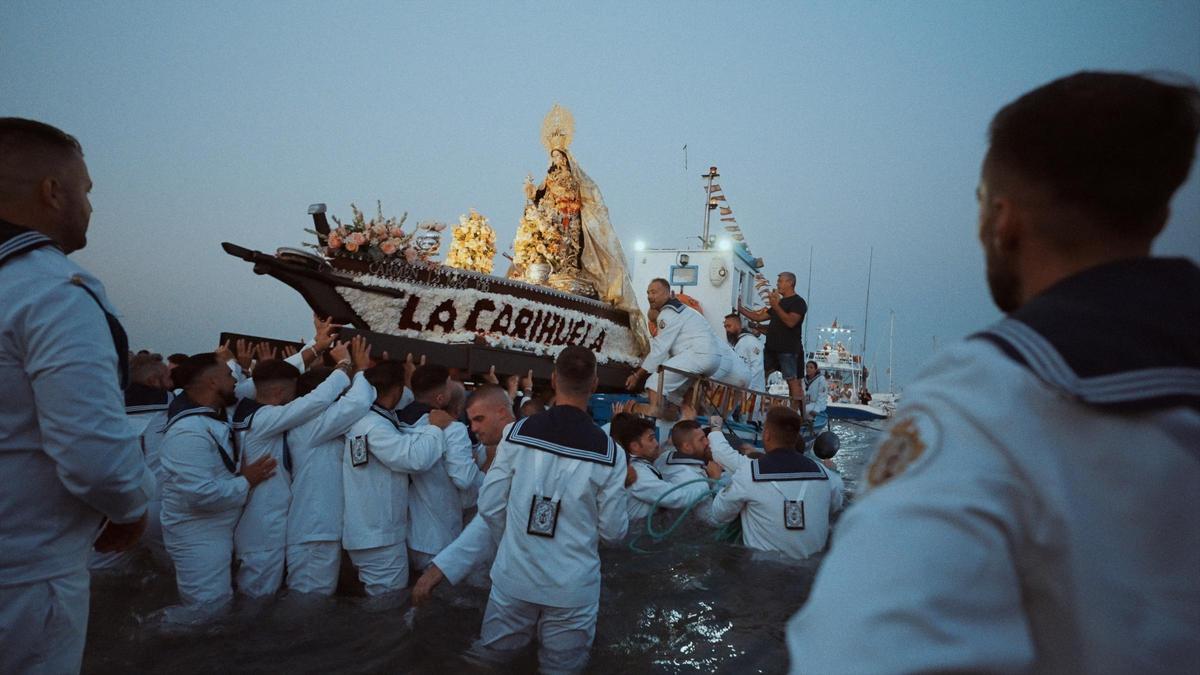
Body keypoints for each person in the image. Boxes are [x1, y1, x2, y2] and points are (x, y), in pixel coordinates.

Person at [788, 72, 1200, 673]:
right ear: (1158, 215)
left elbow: (854, 650)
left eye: (980, 204)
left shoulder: (988, 397)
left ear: (1003, 220)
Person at [0, 117, 156, 672]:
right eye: (86, 190)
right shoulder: (49, 292)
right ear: (51, 191)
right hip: (22, 576)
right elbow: (93, 455)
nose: (90, 206)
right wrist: (129, 506)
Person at [472, 346, 629, 673]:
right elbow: (614, 533)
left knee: (488, 661)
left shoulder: (516, 434)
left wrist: (513, 545)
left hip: (514, 577)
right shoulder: (611, 454)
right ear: (595, 384)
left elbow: (489, 504)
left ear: (554, 379)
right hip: (571, 589)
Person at [158, 352, 277, 624]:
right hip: (197, 534)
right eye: (227, 373)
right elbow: (202, 495)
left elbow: (265, 384)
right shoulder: (187, 432)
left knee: (219, 606)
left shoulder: (217, 412)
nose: (235, 378)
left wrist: (314, 349)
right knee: (207, 612)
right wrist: (247, 480)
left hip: (219, 528)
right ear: (212, 382)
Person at [231, 347, 357, 600]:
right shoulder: (264, 419)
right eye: (291, 394)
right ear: (278, 393)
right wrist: (344, 365)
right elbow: (315, 401)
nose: (295, 400)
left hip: (272, 527)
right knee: (258, 606)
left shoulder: (253, 415)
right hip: (262, 531)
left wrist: (313, 348)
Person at [342, 360, 452, 599]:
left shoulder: (368, 419)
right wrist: (435, 428)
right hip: (379, 535)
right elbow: (414, 459)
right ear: (397, 389)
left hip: (371, 532)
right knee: (385, 608)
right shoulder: (375, 426)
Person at [284, 336, 375, 596]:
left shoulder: (319, 424)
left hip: (323, 529)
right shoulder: (309, 425)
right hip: (314, 531)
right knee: (309, 604)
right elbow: (356, 403)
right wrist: (358, 369)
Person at [412, 385, 516, 606]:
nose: (474, 428)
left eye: (479, 419)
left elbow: (490, 511)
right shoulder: (502, 445)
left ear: (501, 412)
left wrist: (440, 569)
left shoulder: (520, 446)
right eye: (471, 421)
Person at [710, 407, 842, 559]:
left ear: (766, 435)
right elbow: (835, 506)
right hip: (813, 571)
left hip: (762, 573)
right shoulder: (825, 474)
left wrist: (716, 482)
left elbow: (719, 515)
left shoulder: (749, 472)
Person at [91, 352, 175, 571]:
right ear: (152, 381)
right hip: (158, 505)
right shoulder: (171, 406)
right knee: (172, 576)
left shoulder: (104, 406)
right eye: (167, 378)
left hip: (113, 506)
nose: (172, 383)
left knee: (102, 575)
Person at [399, 364, 480, 572]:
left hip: (402, 534)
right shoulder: (453, 429)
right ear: (440, 399)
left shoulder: (396, 422)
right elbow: (464, 479)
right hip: (439, 536)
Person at [626, 278, 722, 411]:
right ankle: (677, 418)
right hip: (712, 360)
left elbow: (659, 351)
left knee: (655, 383)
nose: (649, 297)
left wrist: (637, 375)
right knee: (675, 394)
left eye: (654, 292)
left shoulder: (668, 314)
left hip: (698, 355)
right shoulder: (685, 310)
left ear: (668, 293)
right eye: (648, 293)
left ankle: (654, 414)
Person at [611, 413, 708, 524]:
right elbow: (675, 497)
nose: (656, 443)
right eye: (651, 439)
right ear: (635, 447)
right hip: (636, 535)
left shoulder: (641, 465)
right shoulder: (638, 474)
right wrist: (706, 485)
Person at [739, 272, 807, 402]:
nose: (777, 284)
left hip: (788, 350)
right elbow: (759, 317)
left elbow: (790, 322)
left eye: (780, 281)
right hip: (771, 349)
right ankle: (756, 406)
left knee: (792, 382)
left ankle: (797, 415)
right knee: (760, 375)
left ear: (790, 283)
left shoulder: (798, 302)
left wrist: (776, 306)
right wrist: (739, 308)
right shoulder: (780, 304)